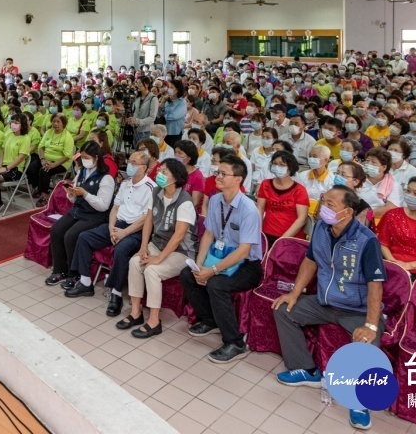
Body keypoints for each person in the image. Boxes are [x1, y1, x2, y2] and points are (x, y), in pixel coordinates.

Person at [272, 185, 386, 431]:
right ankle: (306, 370)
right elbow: (310, 261)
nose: (324, 208)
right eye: (324, 202)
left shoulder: (367, 241)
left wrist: (370, 324)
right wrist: (294, 293)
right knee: (284, 310)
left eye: (330, 204)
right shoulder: (322, 229)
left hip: (356, 309)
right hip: (325, 302)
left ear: (347, 212)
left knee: (368, 343)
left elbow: (375, 285)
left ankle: (359, 401)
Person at [181, 156, 265, 363]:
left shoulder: (249, 209)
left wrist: (213, 270)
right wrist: (200, 265)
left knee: (216, 284)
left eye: (223, 174)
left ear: (238, 179)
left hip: (247, 265)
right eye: (217, 172)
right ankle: (210, 320)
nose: (217, 176)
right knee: (188, 274)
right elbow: (208, 234)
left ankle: (235, 342)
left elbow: (244, 251)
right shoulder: (217, 199)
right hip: (219, 254)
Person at [65, 148, 155, 318]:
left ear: (143, 167)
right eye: (129, 162)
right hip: (117, 225)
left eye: (134, 163)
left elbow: (146, 218)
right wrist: (111, 228)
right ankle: (85, 282)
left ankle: (116, 293)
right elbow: (115, 207)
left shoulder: (151, 187)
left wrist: (124, 233)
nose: (129, 165)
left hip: (136, 230)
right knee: (84, 237)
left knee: (121, 250)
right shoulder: (126, 183)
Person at [120, 159, 196, 338]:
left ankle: (154, 321)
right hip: (158, 243)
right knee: (135, 262)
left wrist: (158, 258)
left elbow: (178, 236)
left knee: (152, 271)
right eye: (159, 170)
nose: (159, 175)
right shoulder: (156, 192)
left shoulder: (185, 201)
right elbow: (148, 220)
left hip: (181, 252)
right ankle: (136, 313)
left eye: (164, 172)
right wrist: (144, 247)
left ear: (176, 177)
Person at [45, 141, 116, 286]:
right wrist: (71, 193)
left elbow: (103, 206)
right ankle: (60, 270)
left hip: (95, 216)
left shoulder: (106, 178)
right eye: (82, 157)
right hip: (79, 210)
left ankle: (75, 274)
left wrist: (85, 194)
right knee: (56, 229)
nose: (84, 160)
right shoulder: (82, 172)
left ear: (96, 157)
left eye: (86, 157)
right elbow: (73, 198)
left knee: (71, 235)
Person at [256, 150, 308, 246]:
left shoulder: (300, 190)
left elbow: (302, 219)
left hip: (290, 238)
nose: (277, 167)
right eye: (274, 164)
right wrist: (258, 233)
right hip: (266, 234)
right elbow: (260, 209)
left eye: (282, 164)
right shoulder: (265, 184)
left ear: (290, 167)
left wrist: (282, 240)